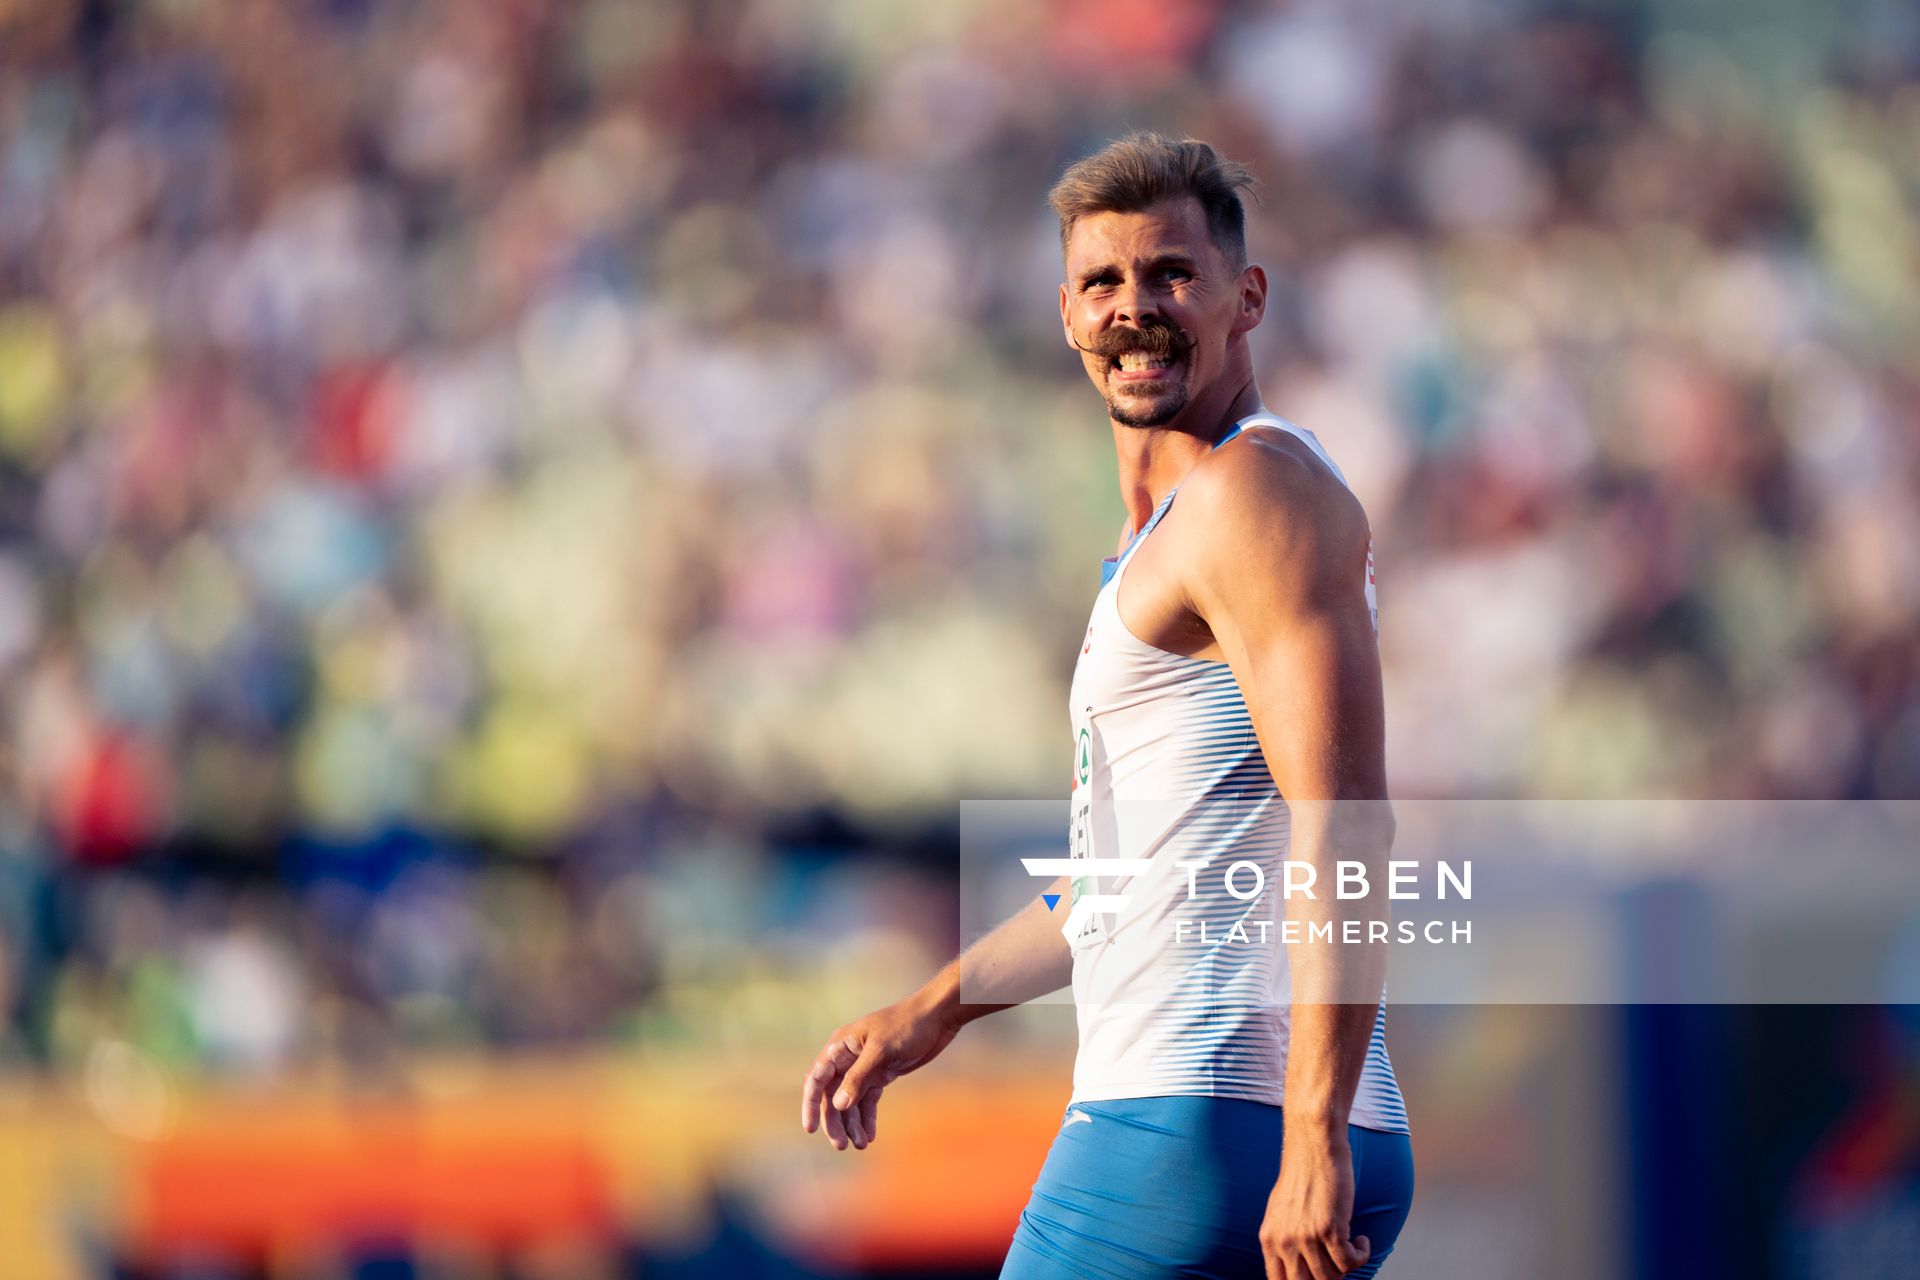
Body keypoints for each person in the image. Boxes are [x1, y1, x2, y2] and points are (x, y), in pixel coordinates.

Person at [800, 132, 1414, 1280]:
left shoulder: (1254, 494)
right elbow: (1128, 882)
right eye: (1103, 282)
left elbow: (1346, 825)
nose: (1135, 307)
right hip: (1244, 1124)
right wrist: (932, 1008)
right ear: (1069, 315)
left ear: (1248, 298)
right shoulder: (1173, 533)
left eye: (1172, 273)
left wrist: (1312, 1131)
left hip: (1197, 1118)